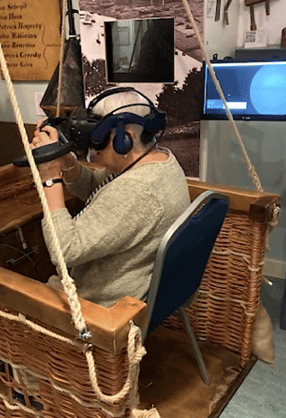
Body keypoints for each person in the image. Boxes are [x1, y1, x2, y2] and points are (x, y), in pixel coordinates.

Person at [29, 87, 190, 308]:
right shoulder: (158, 160)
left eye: (100, 139)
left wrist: (49, 177)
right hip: (130, 287)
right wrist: (67, 161)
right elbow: (95, 187)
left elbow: (64, 250)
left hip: (98, 306)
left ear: (127, 138)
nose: (94, 150)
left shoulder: (137, 189)